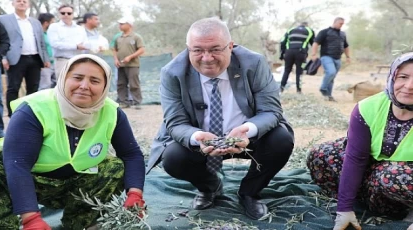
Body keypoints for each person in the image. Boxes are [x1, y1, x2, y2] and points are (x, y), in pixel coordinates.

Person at [146, 17, 294, 220]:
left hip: (247, 139)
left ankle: (249, 192)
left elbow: (271, 111)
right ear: (188, 49)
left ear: (230, 47)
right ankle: (210, 187)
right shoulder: (172, 73)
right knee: (173, 157)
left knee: (281, 140)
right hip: (202, 142)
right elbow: (175, 123)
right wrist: (197, 136)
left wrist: (247, 130)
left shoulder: (254, 63)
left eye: (215, 49)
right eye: (197, 50)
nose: (207, 58)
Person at [0, 54, 146, 229]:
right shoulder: (34, 109)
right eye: (78, 78)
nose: (84, 86)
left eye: (94, 81)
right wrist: (31, 217)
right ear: (64, 78)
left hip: (71, 181)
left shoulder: (112, 112)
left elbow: (131, 155)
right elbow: (17, 164)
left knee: (115, 167)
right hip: (22, 179)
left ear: (105, 86)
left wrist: (135, 194)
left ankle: (80, 223)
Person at [307, 52, 413, 230]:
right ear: (392, 77)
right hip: (371, 177)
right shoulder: (368, 107)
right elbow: (356, 158)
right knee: (320, 155)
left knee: (391, 175)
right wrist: (344, 208)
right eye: (403, 77)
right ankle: (360, 199)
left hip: (400, 184)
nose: (409, 86)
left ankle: (405, 210)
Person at [0, 0, 50, 117]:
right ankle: (13, 115)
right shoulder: (4, 20)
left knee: (33, 88)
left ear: (28, 4)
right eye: (18, 1)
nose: (22, 3)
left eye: (24, 1)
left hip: (35, 58)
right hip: (15, 59)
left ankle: (30, 113)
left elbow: (41, 42)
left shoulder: (35, 22)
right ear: (13, 4)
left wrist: (45, 58)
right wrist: (3, 57)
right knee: (13, 87)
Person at [311, 17, 350, 102]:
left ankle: (329, 95)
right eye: (340, 23)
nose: (341, 25)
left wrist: (348, 57)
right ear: (335, 22)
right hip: (326, 56)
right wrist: (313, 54)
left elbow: (346, 46)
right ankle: (323, 88)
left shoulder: (342, 34)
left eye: (343, 24)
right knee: (331, 72)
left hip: (338, 58)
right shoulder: (325, 32)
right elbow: (316, 43)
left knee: (332, 77)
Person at [48, 4, 89, 79]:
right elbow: (55, 44)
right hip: (62, 60)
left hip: (78, 60)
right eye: (63, 13)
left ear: (73, 14)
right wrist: (76, 46)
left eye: (69, 13)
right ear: (59, 14)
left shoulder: (80, 29)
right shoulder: (54, 27)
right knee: (62, 85)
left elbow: (85, 43)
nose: (66, 15)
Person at [112, 16, 145, 109]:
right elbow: (114, 49)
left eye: (122, 24)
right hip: (121, 65)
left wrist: (130, 57)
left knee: (134, 83)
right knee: (121, 83)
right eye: (120, 24)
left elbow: (142, 49)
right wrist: (116, 59)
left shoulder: (136, 37)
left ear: (129, 25)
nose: (120, 26)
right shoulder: (118, 37)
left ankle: (137, 102)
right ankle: (124, 101)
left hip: (133, 65)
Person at [280, 22, 315, 94]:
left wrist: (282, 53)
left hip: (288, 53)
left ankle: (281, 88)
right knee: (299, 72)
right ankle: (299, 90)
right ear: (306, 25)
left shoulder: (290, 29)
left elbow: (283, 41)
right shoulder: (309, 30)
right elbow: (314, 43)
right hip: (301, 53)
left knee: (287, 70)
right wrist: (313, 53)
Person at [38, 13, 56, 90]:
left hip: (54, 63)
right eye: (52, 22)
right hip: (44, 65)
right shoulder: (38, 34)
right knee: (45, 86)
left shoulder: (50, 34)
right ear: (46, 23)